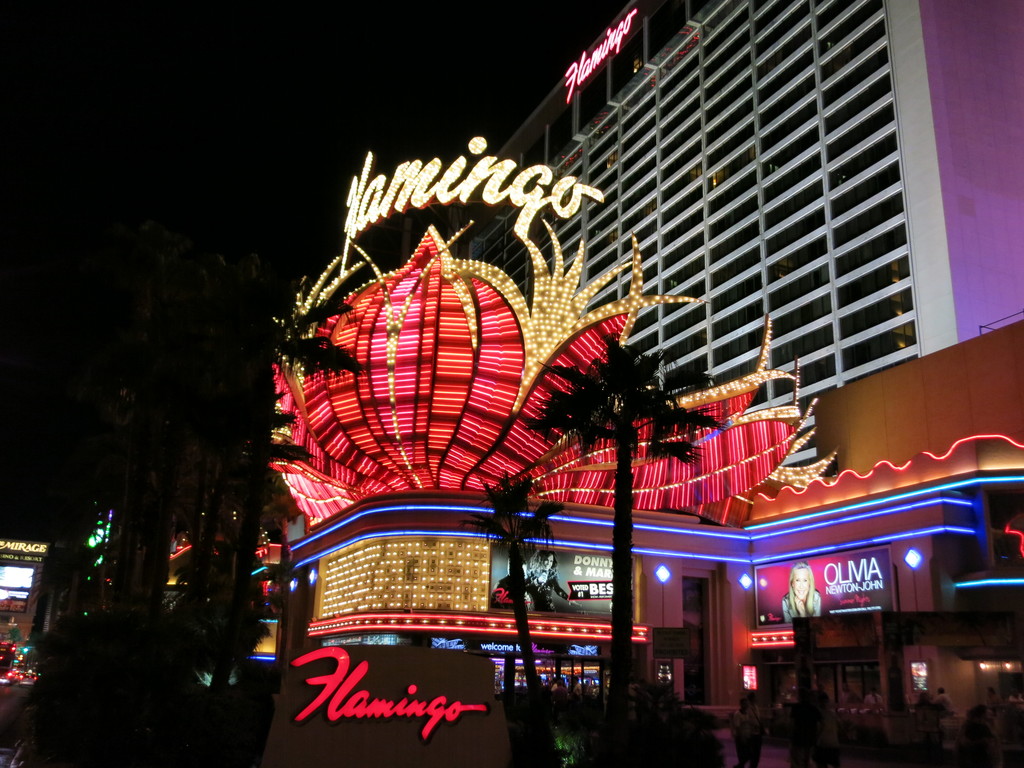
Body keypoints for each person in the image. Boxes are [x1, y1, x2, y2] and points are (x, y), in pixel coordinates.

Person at [956, 704, 1001, 768]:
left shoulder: (968, 726)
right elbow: (991, 744)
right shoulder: (982, 727)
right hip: (980, 757)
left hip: (971, 758)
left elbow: (962, 742)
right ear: (982, 714)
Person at [789, 688, 822, 768]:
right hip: (810, 738)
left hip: (798, 738)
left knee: (798, 761)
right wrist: (818, 735)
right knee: (808, 760)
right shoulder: (813, 709)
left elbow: (792, 723)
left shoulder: (796, 708)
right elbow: (821, 723)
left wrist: (791, 735)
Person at [731, 697, 761, 768]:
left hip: (748, 736)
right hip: (741, 737)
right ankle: (740, 765)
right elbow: (737, 727)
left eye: (747, 704)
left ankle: (740, 765)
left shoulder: (748, 713)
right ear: (741, 704)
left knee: (750, 754)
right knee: (742, 754)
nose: (746, 705)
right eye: (744, 704)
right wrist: (741, 737)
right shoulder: (738, 714)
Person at [814, 692, 840, 768]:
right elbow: (839, 727)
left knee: (821, 764)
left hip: (822, 744)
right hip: (834, 743)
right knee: (835, 764)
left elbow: (819, 728)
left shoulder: (818, 713)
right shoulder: (833, 713)